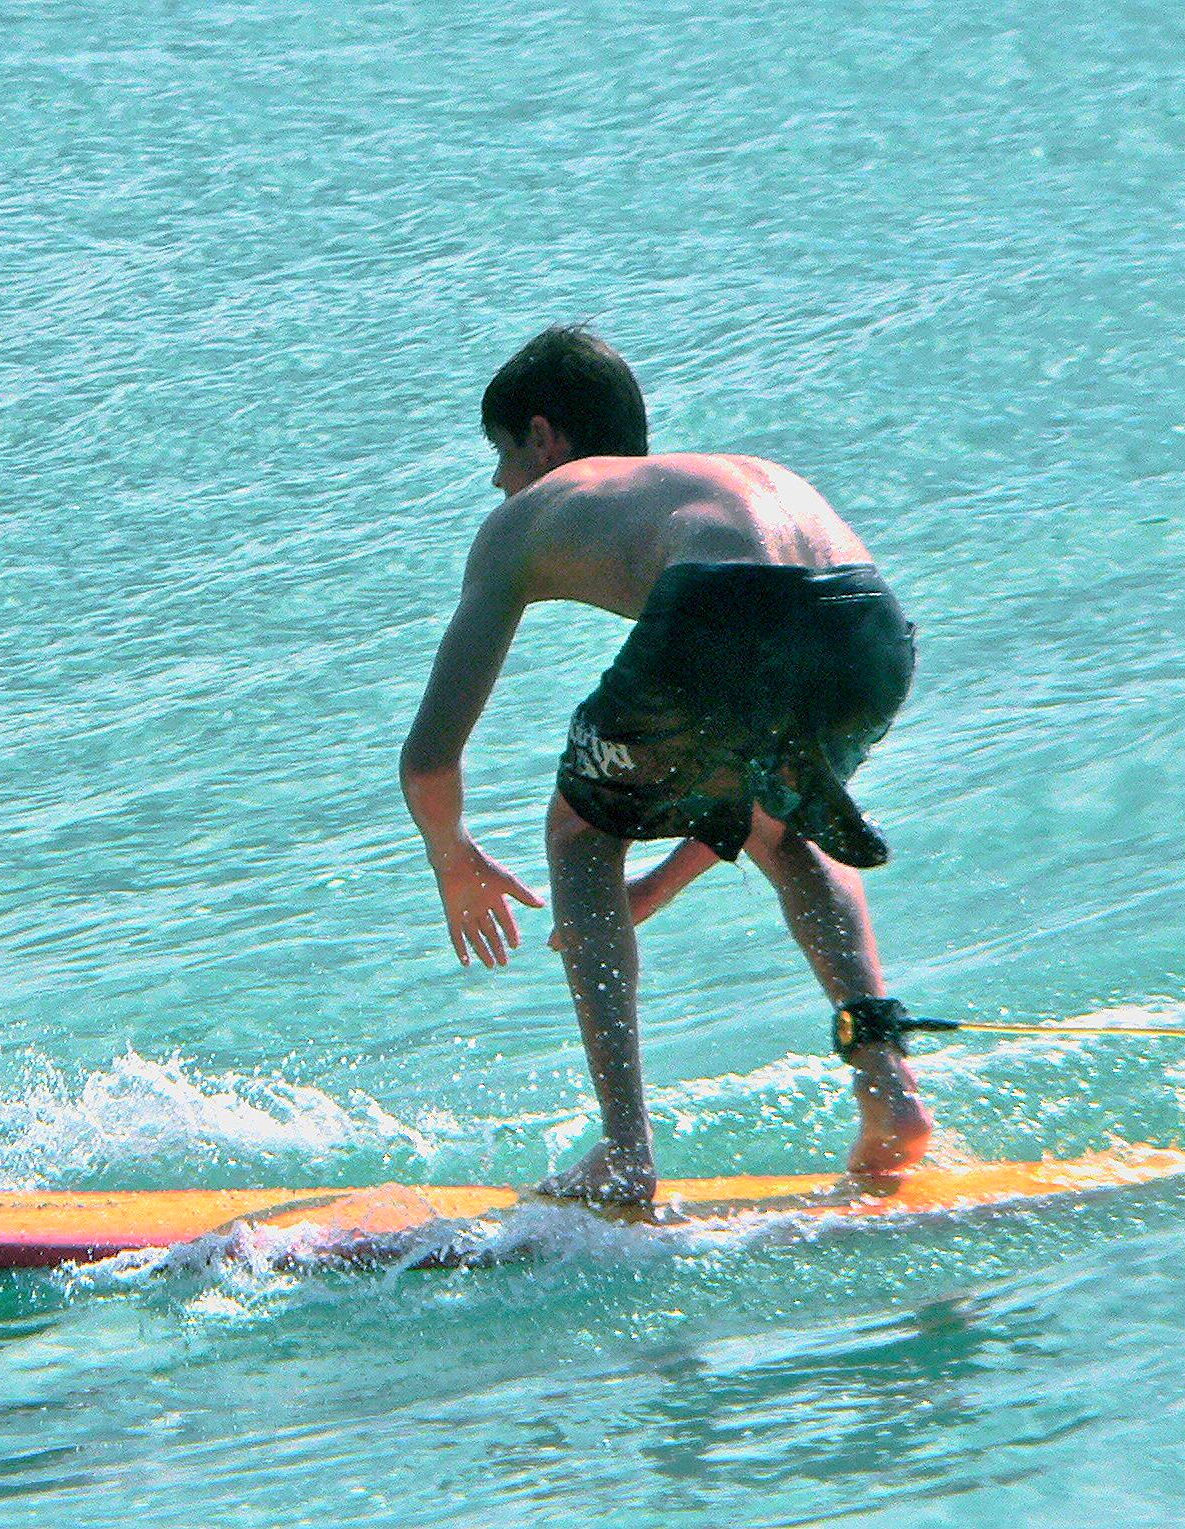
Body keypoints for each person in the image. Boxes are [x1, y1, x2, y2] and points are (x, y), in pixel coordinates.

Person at [399, 325, 932, 1203]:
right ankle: (888, 1086)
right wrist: (653, 888)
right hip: (870, 619)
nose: (497, 481)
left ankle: (624, 1152)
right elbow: (749, 796)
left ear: (544, 436)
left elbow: (429, 758)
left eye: (499, 452)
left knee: (577, 828)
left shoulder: (527, 518)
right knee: (789, 822)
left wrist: (451, 854)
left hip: (733, 599)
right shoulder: (712, 476)